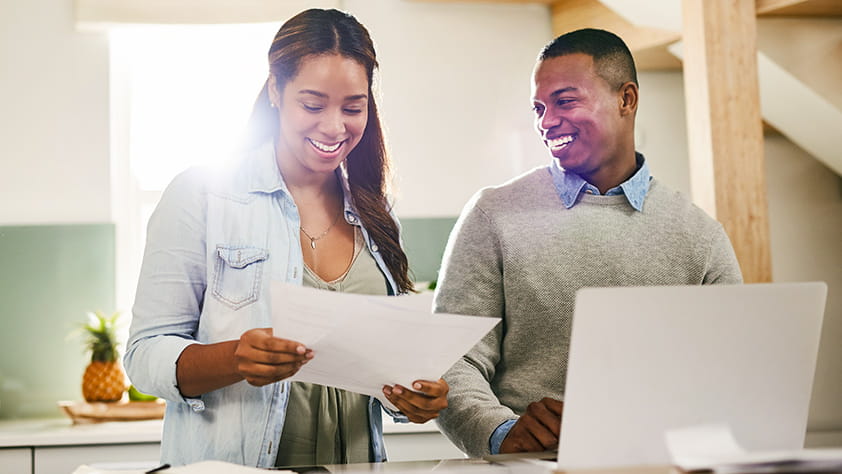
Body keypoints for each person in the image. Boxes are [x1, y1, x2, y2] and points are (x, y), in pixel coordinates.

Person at [124, 8, 448, 468]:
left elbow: (378, 367)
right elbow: (144, 356)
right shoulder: (203, 194)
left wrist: (410, 396)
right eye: (313, 105)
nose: (334, 127)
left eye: (353, 107)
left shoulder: (375, 208)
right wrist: (235, 357)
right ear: (276, 90)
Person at [433, 28, 743, 458]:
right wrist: (502, 433)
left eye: (565, 101)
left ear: (626, 99)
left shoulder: (701, 236)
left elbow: (733, 373)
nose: (546, 121)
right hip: (527, 466)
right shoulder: (493, 215)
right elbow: (452, 358)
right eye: (538, 108)